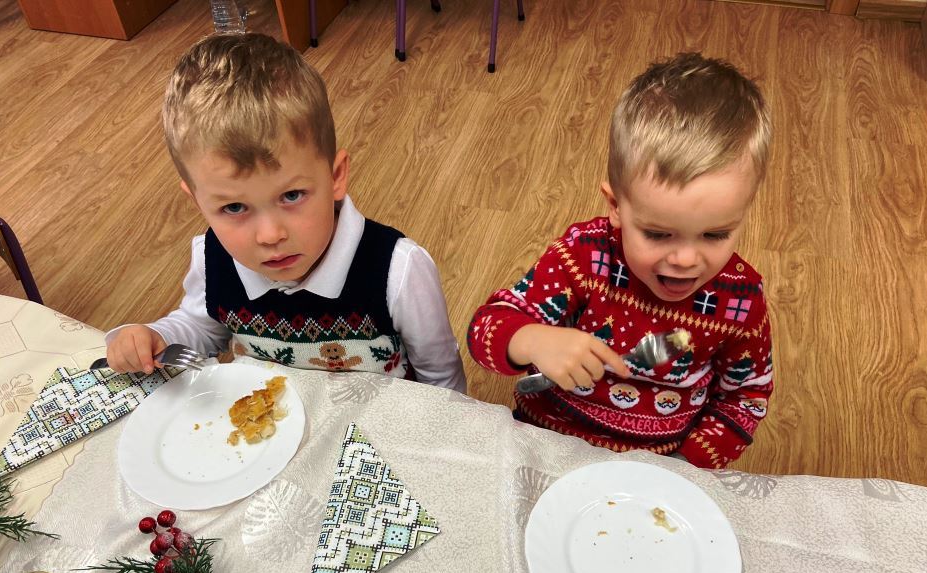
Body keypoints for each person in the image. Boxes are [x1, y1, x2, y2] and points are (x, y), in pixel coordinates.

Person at [105, 33, 465, 393]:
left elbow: (441, 378)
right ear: (197, 202)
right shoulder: (211, 258)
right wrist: (154, 336)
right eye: (234, 207)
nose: (270, 235)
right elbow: (202, 328)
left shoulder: (399, 270)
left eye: (292, 195)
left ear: (336, 177)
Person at [468, 52, 773, 468]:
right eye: (658, 234)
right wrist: (531, 340)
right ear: (615, 206)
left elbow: (746, 398)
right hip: (546, 440)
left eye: (715, 234)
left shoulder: (741, 299)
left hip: (660, 465)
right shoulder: (584, 256)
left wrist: (684, 465)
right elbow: (485, 329)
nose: (685, 259)